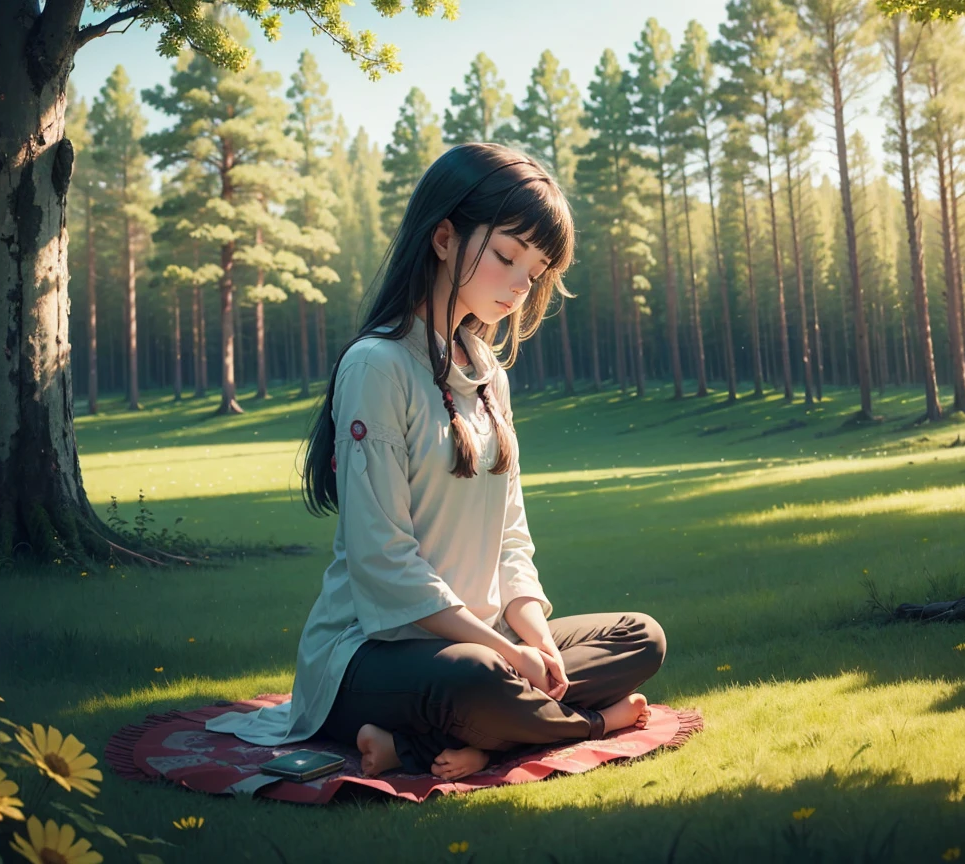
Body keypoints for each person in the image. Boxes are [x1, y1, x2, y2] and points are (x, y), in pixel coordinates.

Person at [205, 142, 667, 781]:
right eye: (507, 255)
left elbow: (511, 541)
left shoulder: (488, 375)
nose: (519, 283)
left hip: (482, 643)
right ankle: (583, 724)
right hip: (372, 656)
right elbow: (383, 563)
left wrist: (530, 635)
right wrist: (505, 652)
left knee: (639, 636)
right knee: (474, 681)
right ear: (444, 237)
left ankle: (446, 741)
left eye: (534, 271)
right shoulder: (377, 366)